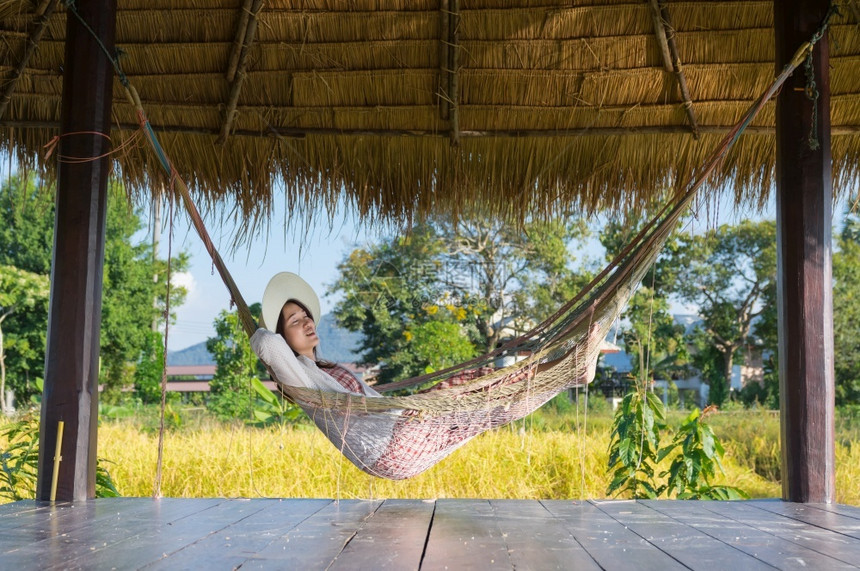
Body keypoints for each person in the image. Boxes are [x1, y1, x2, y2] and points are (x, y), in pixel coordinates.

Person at [250, 272, 380, 396]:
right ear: (281, 337)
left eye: (306, 315)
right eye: (295, 321)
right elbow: (266, 340)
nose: (307, 323)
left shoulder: (324, 366)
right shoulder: (300, 376)